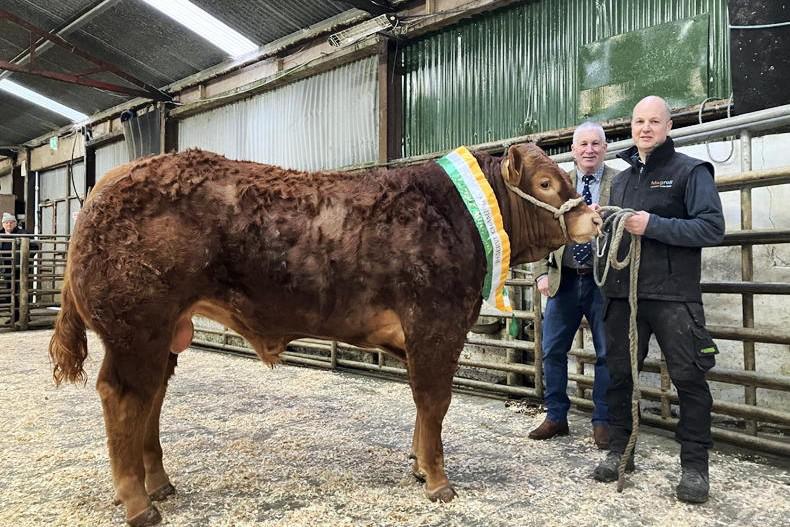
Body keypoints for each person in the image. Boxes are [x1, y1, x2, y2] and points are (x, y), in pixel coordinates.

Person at [592, 96, 725, 504]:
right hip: (622, 293)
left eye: (654, 121)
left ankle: (695, 467)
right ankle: (620, 449)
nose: (645, 128)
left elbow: (711, 228)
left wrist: (653, 225)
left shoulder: (691, 171)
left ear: (668, 126)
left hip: (673, 295)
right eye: (638, 121)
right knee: (619, 374)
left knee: (688, 379)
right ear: (630, 127)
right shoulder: (618, 178)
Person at [529, 122, 617, 449]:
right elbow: (541, 230)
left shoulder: (619, 182)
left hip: (603, 281)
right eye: (583, 144)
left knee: (607, 352)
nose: (589, 149)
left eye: (596, 143)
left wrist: (604, 220)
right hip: (563, 279)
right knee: (552, 350)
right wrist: (539, 273)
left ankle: (603, 420)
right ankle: (556, 416)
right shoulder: (558, 184)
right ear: (573, 150)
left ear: (605, 148)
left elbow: (629, 229)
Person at [1, 212, 33, 325]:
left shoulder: (23, 233)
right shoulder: (0, 234)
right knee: (11, 292)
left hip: (21, 268)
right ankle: (14, 315)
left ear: (15, 223)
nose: (9, 224)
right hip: (7, 268)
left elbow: (34, 245)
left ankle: (25, 315)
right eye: (6, 222)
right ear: (3, 224)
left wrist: (24, 259)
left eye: (11, 222)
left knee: (23, 292)